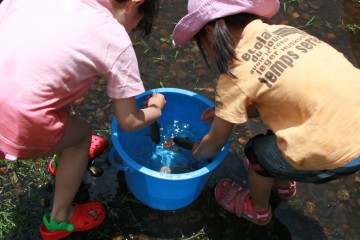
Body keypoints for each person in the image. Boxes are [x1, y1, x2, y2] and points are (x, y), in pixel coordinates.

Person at [172, 0, 360, 226]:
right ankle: (282, 184)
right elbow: (282, 95)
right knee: (286, 121)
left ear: (210, 31)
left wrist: (198, 153)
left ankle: (258, 208)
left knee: (257, 154)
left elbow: (214, 143)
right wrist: (229, 109)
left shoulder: (234, 74)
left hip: (340, 157)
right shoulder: (286, 32)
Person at [0, 0, 166, 239]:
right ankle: (60, 218)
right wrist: (156, 109)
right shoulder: (113, 35)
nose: (130, 31)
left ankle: (63, 157)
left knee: (51, 85)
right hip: (17, 119)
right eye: (138, 22)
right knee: (81, 136)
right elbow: (129, 121)